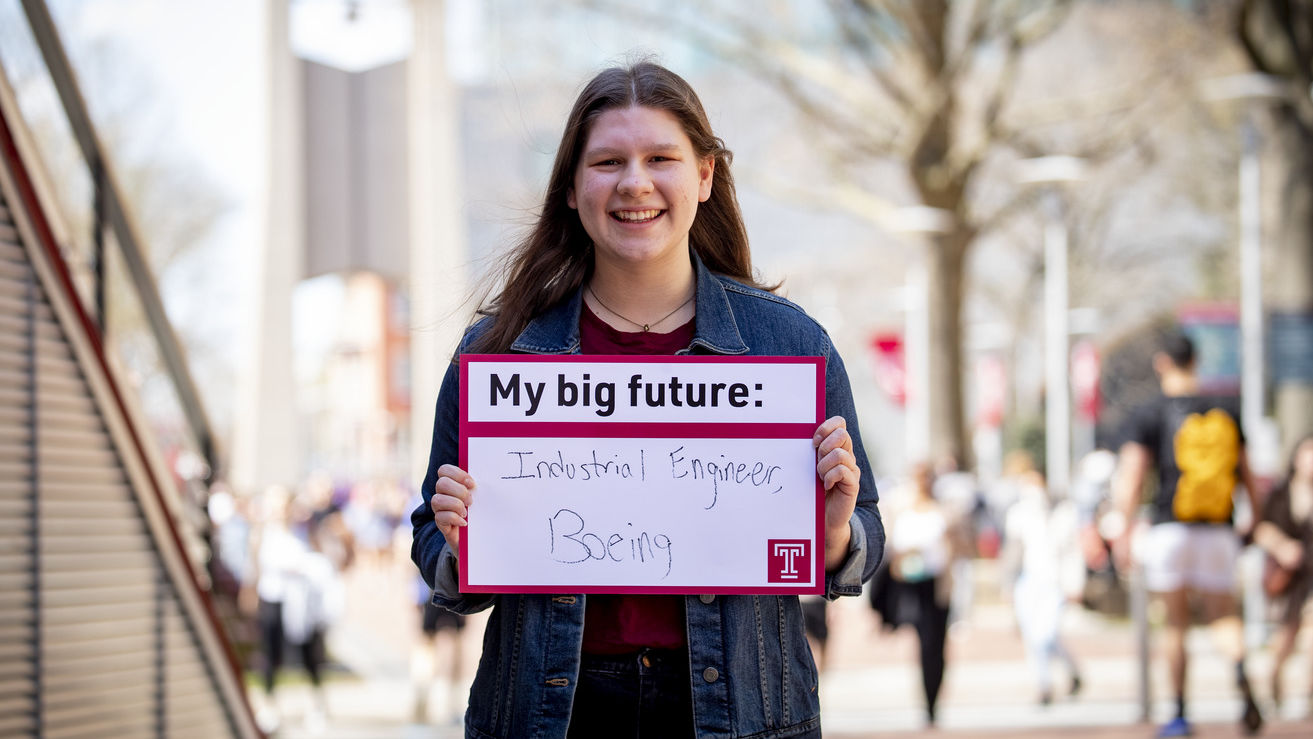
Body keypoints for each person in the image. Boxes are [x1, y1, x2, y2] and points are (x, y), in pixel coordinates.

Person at [410, 61, 883, 738]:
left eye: (660, 157)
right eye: (607, 161)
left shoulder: (789, 345)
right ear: (572, 188)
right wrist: (460, 544)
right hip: (552, 714)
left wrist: (833, 531)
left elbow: (864, 538)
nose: (635, 182)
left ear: (704, 177)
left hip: (740, 714)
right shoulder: (496, 353)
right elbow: (435, 543)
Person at [1111, 330, 1263, 737]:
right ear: (1197, 361)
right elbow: (1249, 477)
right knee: (1223, 614)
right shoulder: (1226, 409)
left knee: (1176, 624)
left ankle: (1178, 712)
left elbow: (1132, 476)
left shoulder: (1150, 412)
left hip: (1169, 530)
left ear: (1163, 362)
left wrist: (1122, 531)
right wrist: (1255, 522)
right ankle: (1237, 663)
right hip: (1217, 530)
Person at [869, 462, 966, 726]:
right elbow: (890, 548)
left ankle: (933, 700)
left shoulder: (945, 512)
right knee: (923, 643)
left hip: (936, 586)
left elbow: (959, 549)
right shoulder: (902, 510)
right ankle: (928, 703)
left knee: (936, 646)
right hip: (910, 585)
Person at [1001, 467, 1084, 706]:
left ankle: (1066, 671)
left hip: (1054, 582)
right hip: (1027, 581)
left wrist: (1074, 583)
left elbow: (1072, 552)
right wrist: (1007, 585)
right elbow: (1012, 553)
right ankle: (1044, 684)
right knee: (1032, 636)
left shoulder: (1062, 513)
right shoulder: (1017, 514)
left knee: (1045, 635)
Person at [1253, 435, 1313, 713]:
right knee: (1285, 639)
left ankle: (1309, 695)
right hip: (1289, 576)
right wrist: (1282, 547)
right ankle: (1274, 677)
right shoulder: (1280, 492)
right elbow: (1261, 528)